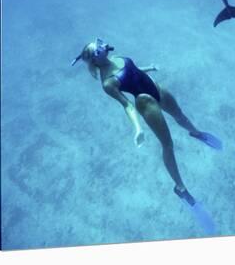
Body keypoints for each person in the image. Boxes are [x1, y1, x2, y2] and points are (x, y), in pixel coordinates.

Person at [71, 38, 222, 206]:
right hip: (145, 102)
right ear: (94, 60)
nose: (102, 46)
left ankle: (196, 133)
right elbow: (126, 105)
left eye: (99, 43)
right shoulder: (108, 83)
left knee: (180, 114)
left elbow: (133, 70)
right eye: (98, 49)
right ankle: (180, 187)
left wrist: (149, 67)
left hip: (155, 87)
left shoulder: (117, 57)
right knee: (168, 145)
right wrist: (137, 128)